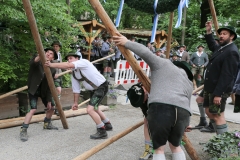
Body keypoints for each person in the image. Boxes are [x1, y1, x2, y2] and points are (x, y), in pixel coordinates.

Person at [113, 33, 193, 160]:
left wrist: (126, 42)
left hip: (161, 107)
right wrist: (186, 123)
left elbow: (146, 53)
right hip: (183, 113)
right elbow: (188, 104)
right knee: (176, 146)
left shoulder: (165, 64)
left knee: (159, 149)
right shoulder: (189, 82)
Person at [45, 52, 113, 139]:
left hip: (101, 87)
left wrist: (51, 64)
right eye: (68, 59)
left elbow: (67, 65)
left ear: (77, 59)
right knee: (95, 108)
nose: (69, 60)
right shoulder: (74, 73)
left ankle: (102, 131)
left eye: (71, 58)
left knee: (90, 109)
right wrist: (75, 103)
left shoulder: (83, 62)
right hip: (94, 89)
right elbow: (76, 89)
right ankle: (107, 124)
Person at [203, 21, 239, 135]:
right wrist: (209, 32)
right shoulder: (222, 47)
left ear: (232, 36)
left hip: (219, 89)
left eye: (224, 34)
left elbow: (227, 75)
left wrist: (218, 94)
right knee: (209, 111)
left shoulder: (232, 52)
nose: (221, 36)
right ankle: (220, 138)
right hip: (211, 87)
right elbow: (212, 45)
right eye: (220, 34)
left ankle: (223, 144)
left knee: (218, 115)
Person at [20, 48, 59, 142]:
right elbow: (33, 63)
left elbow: (50, 85)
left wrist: (49, 100)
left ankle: (47, 123)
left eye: (50, 54)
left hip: (44, 92)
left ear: (53, 57)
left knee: (52, 107)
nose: (48, 54)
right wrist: (39, 56)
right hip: (33, 90)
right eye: (47, 53)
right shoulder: (37, 62)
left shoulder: (53, 69)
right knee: (33, 109)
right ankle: (23, 129)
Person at [127, 83, 153, 160]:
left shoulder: (154, 89)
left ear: (145, 91)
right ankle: (148, 149)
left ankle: (176, 144)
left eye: (142, 101)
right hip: (147, 99)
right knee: (147, 121)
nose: (142, 103)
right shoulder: (137, 92)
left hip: (162, 105)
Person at [52, 41, 63, 115]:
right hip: (53, 76)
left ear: (59, 47)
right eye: (54, 46)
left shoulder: (59, 54)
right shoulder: (51, 55)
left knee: (58, 92)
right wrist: (53, 73)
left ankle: (56, 108)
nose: (55, 47)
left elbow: (61, 65)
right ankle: (56, 108)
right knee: (58, 90)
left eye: (57, 46)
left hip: (60, 75)